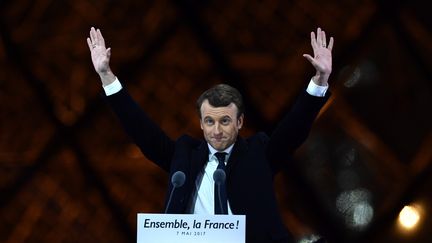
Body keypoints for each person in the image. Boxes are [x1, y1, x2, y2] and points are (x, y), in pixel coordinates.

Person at [87, 26, 333, 243]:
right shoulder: (184, 155)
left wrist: (320, 79)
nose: (216, 130)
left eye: (225, 121)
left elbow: (293, 129)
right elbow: (143, 132)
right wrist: (106, 76)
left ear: (240, 122)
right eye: (209, 121)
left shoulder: (260, 152)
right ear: (202, 125)